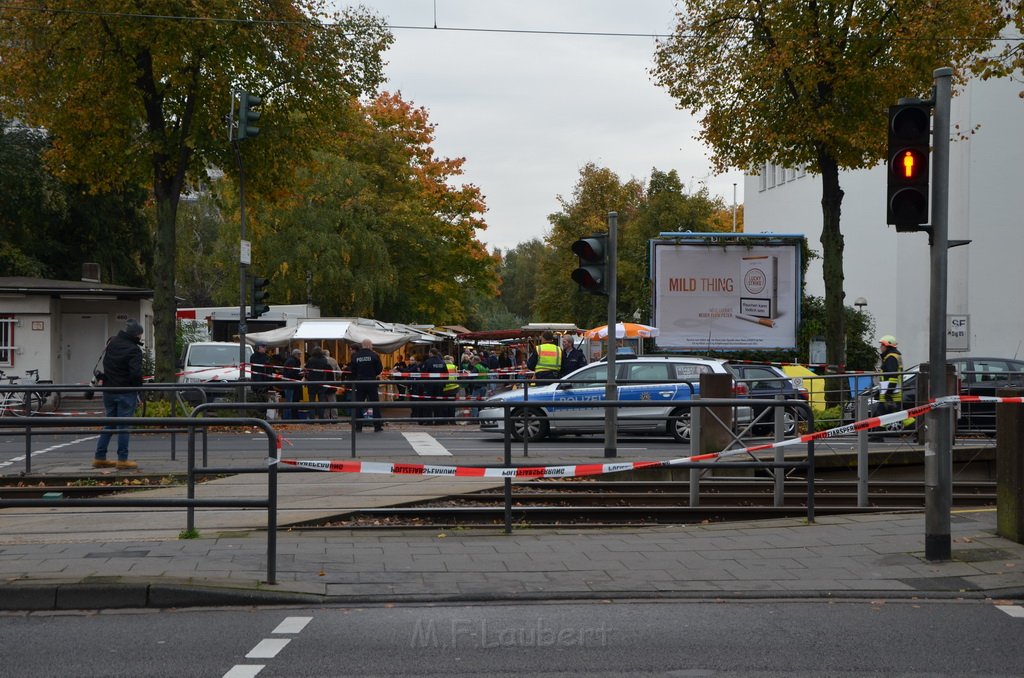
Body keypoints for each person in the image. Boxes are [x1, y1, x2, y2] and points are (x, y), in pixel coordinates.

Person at [93, 319, 144, 470]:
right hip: (125, 392)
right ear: (135, 335)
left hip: (108, 390)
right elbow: (135, 375)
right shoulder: (134, 350)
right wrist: (139, 390)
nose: (141, 338)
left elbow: (106, 364)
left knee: (109, 423)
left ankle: (99, 457)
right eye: (140, 335)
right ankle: (122, 459)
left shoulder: (112, 343)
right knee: (123, 426)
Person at [871, 335, 904, 441]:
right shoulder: (891, 357)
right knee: (886, 414)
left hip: (891, 393)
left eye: (882, 345)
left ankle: (877, 436)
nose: (880, 347)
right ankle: (877, 436)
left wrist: (888, 392)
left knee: (881, 414)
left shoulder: (891, 358)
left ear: (887, 346)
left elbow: (893, 376)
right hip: (891, 392)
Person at [350, 339, 384, 432]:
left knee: (358, 404)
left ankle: (358, 426)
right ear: (369, 345)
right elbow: (379, 369)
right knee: (375, 404)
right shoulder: (374, 355)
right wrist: (373, 374)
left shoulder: (355, 356)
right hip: (371, 382)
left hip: (360, 382)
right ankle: (377, 426)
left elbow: (352, 370)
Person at [419, 347, 448, 424]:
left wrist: (424, 384)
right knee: (439, 403)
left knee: (428, 403)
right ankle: (439, 421)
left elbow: (423, 374)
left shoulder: (428, 362)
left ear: (431, 353)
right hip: (440, 385)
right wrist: (443, 384)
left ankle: (429, 421)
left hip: (430, 385)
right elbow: (446, 375)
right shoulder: (442, 362)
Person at [304, 346, 333, 420]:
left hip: (312, 383)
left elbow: (306, 369)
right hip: (321, 383)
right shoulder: (324, 360)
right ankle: (321, 419)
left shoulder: (310, 360)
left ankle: (312, 418)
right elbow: (327, 369)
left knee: (312, 402)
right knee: (321, 402)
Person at [281, 348, 303, 420]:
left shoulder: (291, 361)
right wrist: (300, 375)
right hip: (290, 385)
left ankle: (290, 417)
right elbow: (292, 373)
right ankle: (288, 418)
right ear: (296, 355)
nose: (300, 357)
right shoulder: (292, 362)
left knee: (291, 401)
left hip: (290, 384)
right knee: (290, 402)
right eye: (299, 355)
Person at [322, 349, 341, 419]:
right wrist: (336, 377)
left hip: (322, 384)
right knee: (332, 401)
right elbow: (339, 373)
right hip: (332, 383)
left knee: (325, 402)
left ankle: (325, 417)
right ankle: (334, 417)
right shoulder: (333, 361)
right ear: (328, 354)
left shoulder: (320, 361)